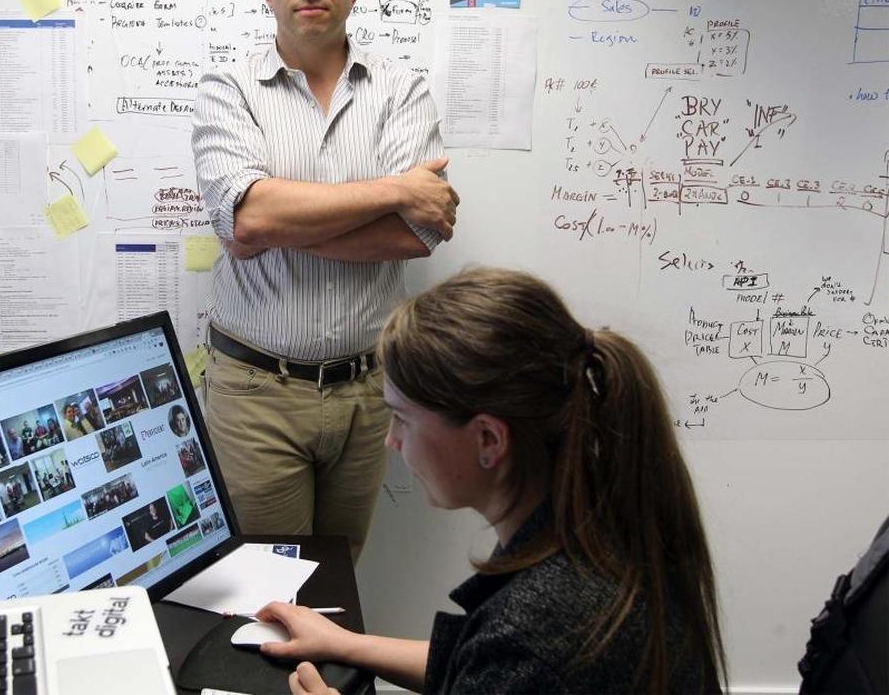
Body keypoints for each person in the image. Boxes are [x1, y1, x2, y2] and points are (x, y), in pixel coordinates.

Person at [251, 268, 727, 694]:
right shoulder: (596, 529)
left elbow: (508, 660)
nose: (391, 442)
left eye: (403, 419)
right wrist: (349, 644)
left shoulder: (537, 630)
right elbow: (477, 663)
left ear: (488, 439)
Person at [191, 0, 459, 562]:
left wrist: (281, 221)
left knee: (334, 590)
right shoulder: (228, 90)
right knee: (266, 596)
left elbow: (422, 233)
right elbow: (248, 216)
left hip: (368, 396)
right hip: (257, 395)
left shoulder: (402, 91)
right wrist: (395, 189)